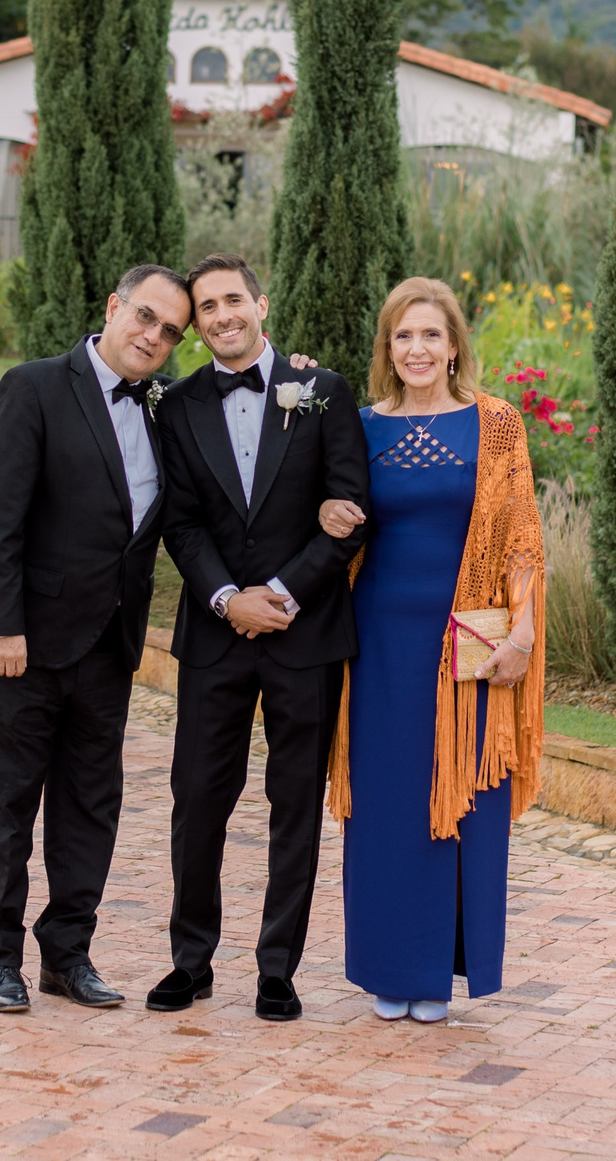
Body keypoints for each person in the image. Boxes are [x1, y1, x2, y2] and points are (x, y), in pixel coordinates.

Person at [0, 264, 193, 1015]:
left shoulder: (165, 409)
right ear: (113, 306)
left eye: (169, 331)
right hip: (22, 644)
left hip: (108, 648)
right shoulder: (33, 386)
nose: (154, 336)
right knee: (6, 803)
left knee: (90, 806)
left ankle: (68, 953)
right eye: (146, 317)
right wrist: (1, 623)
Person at [317, 275, 545, 1024]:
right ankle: (391, 968)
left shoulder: (497, 424)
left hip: (468, 642)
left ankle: (442, 972)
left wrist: (524, 628)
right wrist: (325, 509)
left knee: (462, 799)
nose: (417, 348)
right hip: (379, 641)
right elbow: (327, 518)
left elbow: (520, 538)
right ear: (388, 347)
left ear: (454, 347)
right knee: (386, 802)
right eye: (402, 335)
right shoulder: (358, 425)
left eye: (431, 335)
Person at [149, 255, 371, 1021]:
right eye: (206, 306)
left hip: (304, 634)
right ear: (198, 322)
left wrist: (277, 595)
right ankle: (190, 959)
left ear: (261, 303)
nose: (221, 315)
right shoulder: (174, 407)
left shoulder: (325, 391)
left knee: (294, 803)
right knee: (197, 799)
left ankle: (278, 967)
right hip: (216, 637)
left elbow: (347, 509)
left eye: (231, 299)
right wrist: (224, 598)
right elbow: (179, 519)